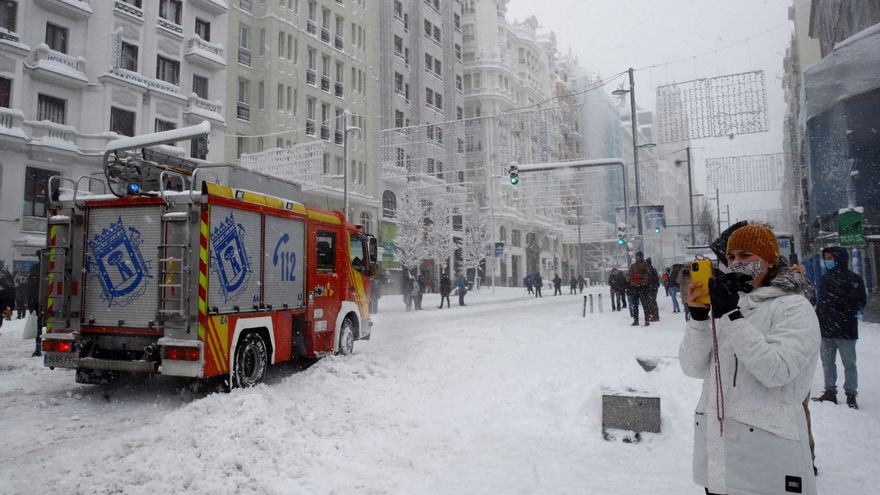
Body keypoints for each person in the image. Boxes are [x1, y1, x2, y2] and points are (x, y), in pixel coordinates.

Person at [680, 224, 819, 495]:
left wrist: (731, 315)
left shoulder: (794, 307)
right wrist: (698, 319)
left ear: (770, 261)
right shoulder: (731, 303)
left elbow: (776, 370)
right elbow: (692, 366)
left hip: (767, 462)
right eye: (731, 257)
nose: (736, 263)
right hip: (719, 462)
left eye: (746, 255)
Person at [812, 246, 867, 409]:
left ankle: (851, 394)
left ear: (839, 258)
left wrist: (842, 311)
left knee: (849, 363)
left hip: (845, 330)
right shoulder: (825, 279)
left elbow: (860, 302)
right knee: (827, 362)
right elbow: (821, 302)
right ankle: (830, 391)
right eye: (826, 258)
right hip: (827, 330)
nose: (827, 261)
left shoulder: (853, 279)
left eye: (830, 258)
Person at [627, 252, 651, 326]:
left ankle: (646, 320)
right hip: (635, 287)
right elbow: (629, 275)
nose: (638, 258)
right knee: (635, 305)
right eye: (637, 256)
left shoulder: (645, 265)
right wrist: (630, 279)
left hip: (643, 287)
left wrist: (640, 278)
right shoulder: (633, 266)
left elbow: (648, 275)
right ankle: (636, 320)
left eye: (639, 256)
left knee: (645, 304)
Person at [646, 257, 660, 322]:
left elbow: (649, 279)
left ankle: (655, 316)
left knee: (652, 302)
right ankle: (654, 315)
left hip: (651, 288)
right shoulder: (653, 269)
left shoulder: (649, 269)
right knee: (652, 302)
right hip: (654, 288)